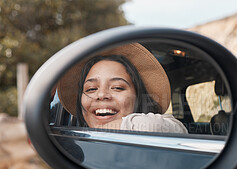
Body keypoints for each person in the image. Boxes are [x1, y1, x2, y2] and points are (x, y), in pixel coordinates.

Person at [57, 43, 187, 134]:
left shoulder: (163, 127)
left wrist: (109, 129)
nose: (101, 94)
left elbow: (177, 129)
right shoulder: (75, 142)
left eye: (117, 87)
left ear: (139, 97)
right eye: (91, 89)